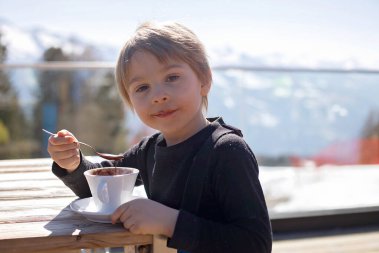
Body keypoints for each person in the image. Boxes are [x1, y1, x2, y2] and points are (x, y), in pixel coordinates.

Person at [47, 21, 272, 253]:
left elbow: (256, 244)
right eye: (142, 88)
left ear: (204, 80)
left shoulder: (227, 152)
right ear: (130, 102)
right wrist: (72, 163)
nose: (158, 95)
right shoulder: (148, 150)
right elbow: (103, 189)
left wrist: (171, 223)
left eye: (172, 77)